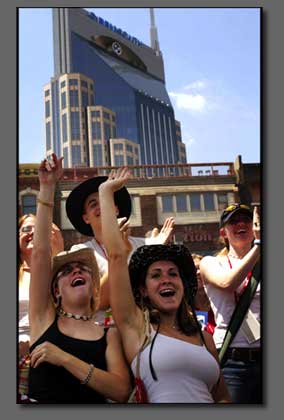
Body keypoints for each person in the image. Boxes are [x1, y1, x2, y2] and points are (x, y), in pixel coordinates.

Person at [98, 167, 231, 403]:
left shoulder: (204, 337)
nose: (167, 279)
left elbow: (222, 398)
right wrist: (105, 192)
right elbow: (117, 256)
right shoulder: (136, 328)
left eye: (173, 273)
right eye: (156, 275)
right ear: (142, 290)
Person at [27, 154, 131, 403]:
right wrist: (47, 187)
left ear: (95, 286)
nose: (76, 271)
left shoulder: (110, 335)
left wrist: (64, 358)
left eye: (83, 269)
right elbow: (41, 254)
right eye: (66, 270)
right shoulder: (43, 318)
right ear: (56, 291)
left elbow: (121, 390)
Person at [66, 175, 174, 325]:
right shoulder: (80, 252)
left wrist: (158, 252)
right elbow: (97, 302)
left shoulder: (147, 245)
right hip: (104, 335)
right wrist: (120, 254)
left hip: (144, 330)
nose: (101, 206)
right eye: (93, 204)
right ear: (86, 218)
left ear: (116, 209)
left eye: (106, 200)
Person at [200, 204, 261, 403]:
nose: (241, 224)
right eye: (234, 221)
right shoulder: (210, 262)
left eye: (246, 220)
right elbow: (227, 283)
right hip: (233, 361)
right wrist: (259, 245)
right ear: (223, 232)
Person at [18, 213, 64, 401]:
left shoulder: (59, 272)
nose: (32, 233)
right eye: (26, 229)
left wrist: (58, 253)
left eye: (39, 229)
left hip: (53, 354)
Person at [192, 254, 216, 335]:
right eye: (194, 269)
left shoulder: (220, 303)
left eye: (201, 269)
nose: (198, 272)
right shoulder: (183, 310)